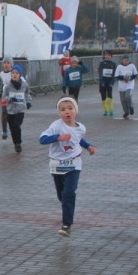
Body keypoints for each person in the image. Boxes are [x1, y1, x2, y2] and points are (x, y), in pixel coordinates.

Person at [39, 97, 96, 237]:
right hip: (57, 164)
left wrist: (88, 146)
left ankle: (67, 225)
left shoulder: (81, 127)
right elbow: (42, 139)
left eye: (70, 108)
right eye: (63, 110)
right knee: (62, 195)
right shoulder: (56, 126)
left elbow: (78, 139)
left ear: (76, 111)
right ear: (59, 113)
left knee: (69, 193)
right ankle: (67, 207)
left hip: (74, 164)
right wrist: (58, 138)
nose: (67, 112)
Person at [1, 65, 31, 152]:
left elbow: (27, 94)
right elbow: (4, 97)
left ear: (20, 74)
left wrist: (29, 102)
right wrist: (9, 98)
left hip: (20, 110)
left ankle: (18, 143)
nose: (14, 75)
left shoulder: (24, 85)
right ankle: (16, 143)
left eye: (17, 73)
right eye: (13, 73)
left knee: (16, 125)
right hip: (10, 111)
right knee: (12, 128)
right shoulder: (7, 87)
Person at [114, 53, 138, 119]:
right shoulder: (119, 67)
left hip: (129, 84)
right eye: (124, 60)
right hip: (121, 85)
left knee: (128, 96)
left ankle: (131, 106)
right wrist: (123, 78)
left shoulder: (132, 66)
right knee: (123, 100)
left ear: (129, 61)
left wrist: (130, 78)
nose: (126, 62)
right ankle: (126, 111)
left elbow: (135, 74)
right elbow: (116, 76)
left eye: (127, 61)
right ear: (122, 61)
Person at [96, 51, 117, 116]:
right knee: (103, 96)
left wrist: (112, 81)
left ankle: (110, 110)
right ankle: (105, 110)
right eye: (106, 55)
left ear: (111, 56)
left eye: (109, 55)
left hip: (110, 81)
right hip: (103, 82)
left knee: (110, 95)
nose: (107, 56)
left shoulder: (113, 64)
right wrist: (101, 80)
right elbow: (100, 72)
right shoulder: (102, 63)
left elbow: (114, 73)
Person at [0, 56, 14, 140]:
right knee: (4, 112)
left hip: (13, 96)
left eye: (8, 63)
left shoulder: (14, 73)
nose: (6, 65)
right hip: (4, 96)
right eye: (4, 63)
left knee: (12, 114)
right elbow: (4, 84)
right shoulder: (1, 74)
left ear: (11, 64)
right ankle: (4, 131)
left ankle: (14, 129)